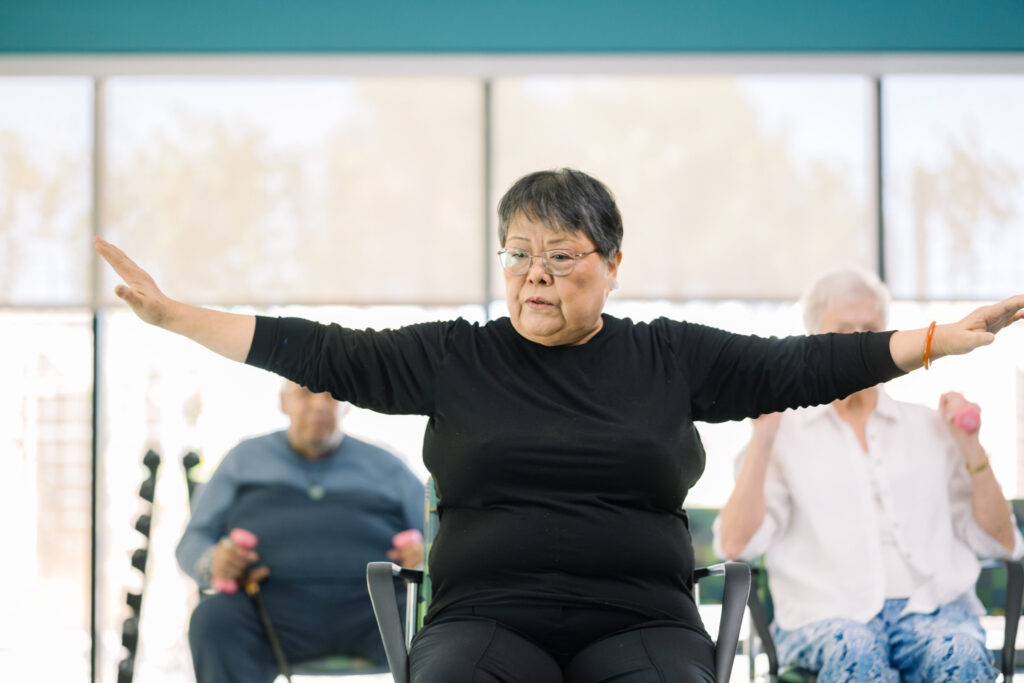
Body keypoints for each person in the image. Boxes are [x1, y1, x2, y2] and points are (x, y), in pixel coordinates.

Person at [96, 168, 1024, 683]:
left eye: (561, 256)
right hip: (486, 619)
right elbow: (324, 348)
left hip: (642, 618)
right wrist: (181, 317)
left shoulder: (671, 355)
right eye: (519, 255)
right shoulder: (456, 354)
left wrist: (938, 337)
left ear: (613, 263)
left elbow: (804, 362)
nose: (535, 274)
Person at [714, 267, 1024, 683]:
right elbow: (736, 544)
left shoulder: (933, 427)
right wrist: (764, 438)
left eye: (870, 330)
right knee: (855, 650)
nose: (859, 343)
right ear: (814, 340)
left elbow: (1001, 543)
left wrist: (972, 446)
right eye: (845, 331)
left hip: (936, 611)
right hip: (825, 617)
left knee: (962, 653)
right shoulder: (783, 432)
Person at [176, 380, 425, 683]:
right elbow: (192, 541)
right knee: (212, 619)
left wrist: (427, 557)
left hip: (377, 613)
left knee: (448, 622)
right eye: (305, 392)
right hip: (268, 613)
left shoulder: (388, 466)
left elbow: (442, 538)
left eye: (333, 394)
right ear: (284, 401)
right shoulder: (242, 460)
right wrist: (212, 561)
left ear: (347, 404)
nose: (319, 404)